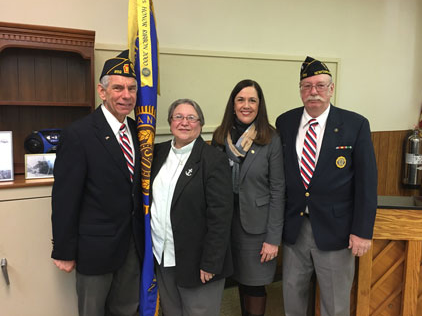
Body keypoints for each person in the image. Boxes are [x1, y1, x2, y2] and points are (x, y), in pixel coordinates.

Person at [276, 56, 378, 316]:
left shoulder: (355, 124)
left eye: (320, 85)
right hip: (295, 229)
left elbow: (367, 183)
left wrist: (363, 231)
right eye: (307, 86)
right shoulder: (284, 123)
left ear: (331, 89)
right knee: (292, 297)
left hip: (337, 232)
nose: (314, 92)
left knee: (335, 304)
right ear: (300, 90)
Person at [51, 51, 144, 316]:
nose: (126, 95)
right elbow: (65, 198)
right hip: (95, 249)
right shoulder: (79, 134)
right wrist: (64, 250)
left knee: (126, 310)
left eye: (131, 88)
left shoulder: (139, 132)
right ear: (102, 92)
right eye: (118, 88)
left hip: (132, 246)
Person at [151, 98, 233, 316]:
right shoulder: (156, 154)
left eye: (191, 118)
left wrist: (211, 262)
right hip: (163, 257)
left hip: (199, 262)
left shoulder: (213, 159)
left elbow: (221, 216)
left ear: (201, 124)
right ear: (170, 122)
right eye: (178, 117)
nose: (184, 122)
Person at [212, 80, 285, 316]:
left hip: (257, 229)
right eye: (241, 100)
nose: (246, 105)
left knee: (254, 284)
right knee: (238, 280)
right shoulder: (221, 136)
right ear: (233, 105)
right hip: (226, 225)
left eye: (252, 100)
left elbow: (277, 190)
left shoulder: (271, 138)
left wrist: (273, 239)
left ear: (259, 105)